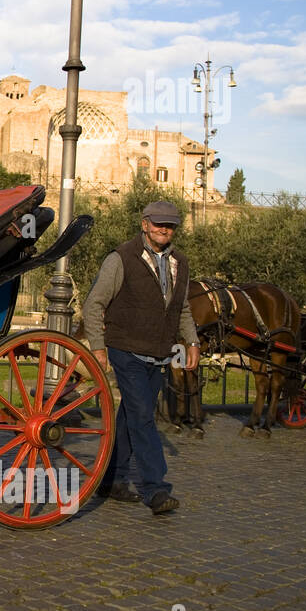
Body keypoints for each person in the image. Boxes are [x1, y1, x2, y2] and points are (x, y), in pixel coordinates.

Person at [81, 200, 200, 515]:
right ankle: (156, 490)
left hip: (159, 353)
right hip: (126, 349)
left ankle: (111, 479)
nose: (164, 229)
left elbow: (182, 307)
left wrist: (192, 341)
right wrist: (98, 347)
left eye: (170, 224)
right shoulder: (121, 258)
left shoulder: (181, 263)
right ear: (144, 224)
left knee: (130, 417)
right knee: (144, 417)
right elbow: (94, 303)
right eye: (159, 223)